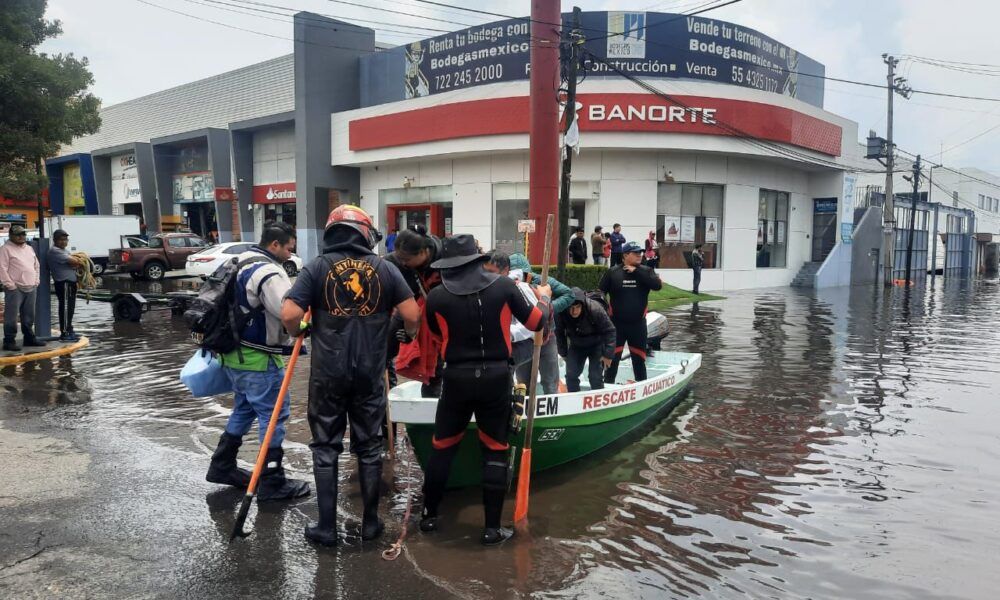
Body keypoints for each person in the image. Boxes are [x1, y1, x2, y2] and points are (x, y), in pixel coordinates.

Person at [282, 206, 420, 546]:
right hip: (370, 374)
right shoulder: (384, 268)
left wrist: (299, 328)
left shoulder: (316, 267)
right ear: (364, 233)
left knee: (326, 447)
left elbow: (289, 312)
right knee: (369, 447)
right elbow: (411, 312)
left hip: (329, 374)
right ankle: (370, 524)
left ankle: (326, 528)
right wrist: (409, 333)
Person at [419, 235, 551, 546]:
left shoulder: (436, 297)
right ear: (478, 260)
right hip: (495, 377)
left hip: (456, 379)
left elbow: (437, 334)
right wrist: (543, 296)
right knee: (495, 449)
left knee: (442, 446)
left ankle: (428, 517)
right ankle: (492, 529)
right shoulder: (504, 287)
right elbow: (536, 322)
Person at [205, 221, 310, 503]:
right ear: (275, 244)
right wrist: (305, 328)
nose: (290, 254)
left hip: (232, 354)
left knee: (244, 409)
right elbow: (287, 314)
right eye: (289, 248)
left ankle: (222, 465)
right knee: (273, 415)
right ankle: (272, 481)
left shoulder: (238, 261)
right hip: (258, 358)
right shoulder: (269, 271)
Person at [386, 224, 444, 395]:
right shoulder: (395, 261)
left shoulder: (446, 260)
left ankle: (431, 412)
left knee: (436, 367)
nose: (403, 263)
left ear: (424, 252)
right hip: (412, 306)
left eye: (407, 260)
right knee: (384, 349)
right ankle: (387, 398)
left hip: (442, 312)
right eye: (400, 259)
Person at [508, 253, 574, 395]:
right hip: (522, 341)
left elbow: (569, 294)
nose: (520, 278)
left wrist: (547, 309)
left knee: (550, 382)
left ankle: (554, 413)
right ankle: (523, 412)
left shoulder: (542, 281)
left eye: (524, 274)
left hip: (546, 338)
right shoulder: (507, 285)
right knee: (523, 383)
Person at [599, 241, 663, 383]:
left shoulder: (646, 271)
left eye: (640, 252)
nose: (639, 255)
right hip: (616, 326)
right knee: (611, 362)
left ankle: (642, 391)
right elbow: (600, 293)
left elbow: (657, 286)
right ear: (625, 255)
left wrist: (637, 271)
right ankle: (607, 390)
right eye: (635, 253)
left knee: (639, 362)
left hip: (638, 326)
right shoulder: (613, 272)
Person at [484, 251, 536, 372]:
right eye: (484, 272)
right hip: (495, 343)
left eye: (491, 272)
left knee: (502, 366)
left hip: (521, 343)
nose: (486, 277)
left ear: (505, 270)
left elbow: (531, 325)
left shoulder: (520, 288)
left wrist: (508, 334)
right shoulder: (484, 288)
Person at [556, 288, 615, 392]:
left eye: (577, 307)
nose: (574, 311)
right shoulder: (561, 312)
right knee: (571, 375)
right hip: (576, 345)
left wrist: (608, 354)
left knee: (595, 376)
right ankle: (573, 400)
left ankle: (598, 401)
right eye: (571, 308)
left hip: (596, 344)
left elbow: (610, 331)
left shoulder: (595, 309)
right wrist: (564, 354)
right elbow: (559, 334)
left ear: (582, 305)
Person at [0, 225, 44, 351]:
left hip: (31, 286)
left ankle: (29, 338)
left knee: (29, 315)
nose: (21, 237)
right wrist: (10, 285)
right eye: (18, 234)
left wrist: (36, 280)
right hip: (15, 288)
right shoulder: (5, 249)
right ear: (11, 236)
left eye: (23, 234)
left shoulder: (29, 248)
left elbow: (37, 265)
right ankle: (9, 341)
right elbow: (2, 268)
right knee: (11, 316)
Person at [48, 229, 83, 342]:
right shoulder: (55, 251)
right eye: (61, 240)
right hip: (64, 283)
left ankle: (69, 329)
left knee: (70, 308)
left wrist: (76, 262)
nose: (64, 242)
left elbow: (75, 262)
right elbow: (76, 262)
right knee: (65, 308)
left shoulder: (64, 250)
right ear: (55, 240)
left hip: (70, 283)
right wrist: (78, 261)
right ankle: (65, 333)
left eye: (65, 239)